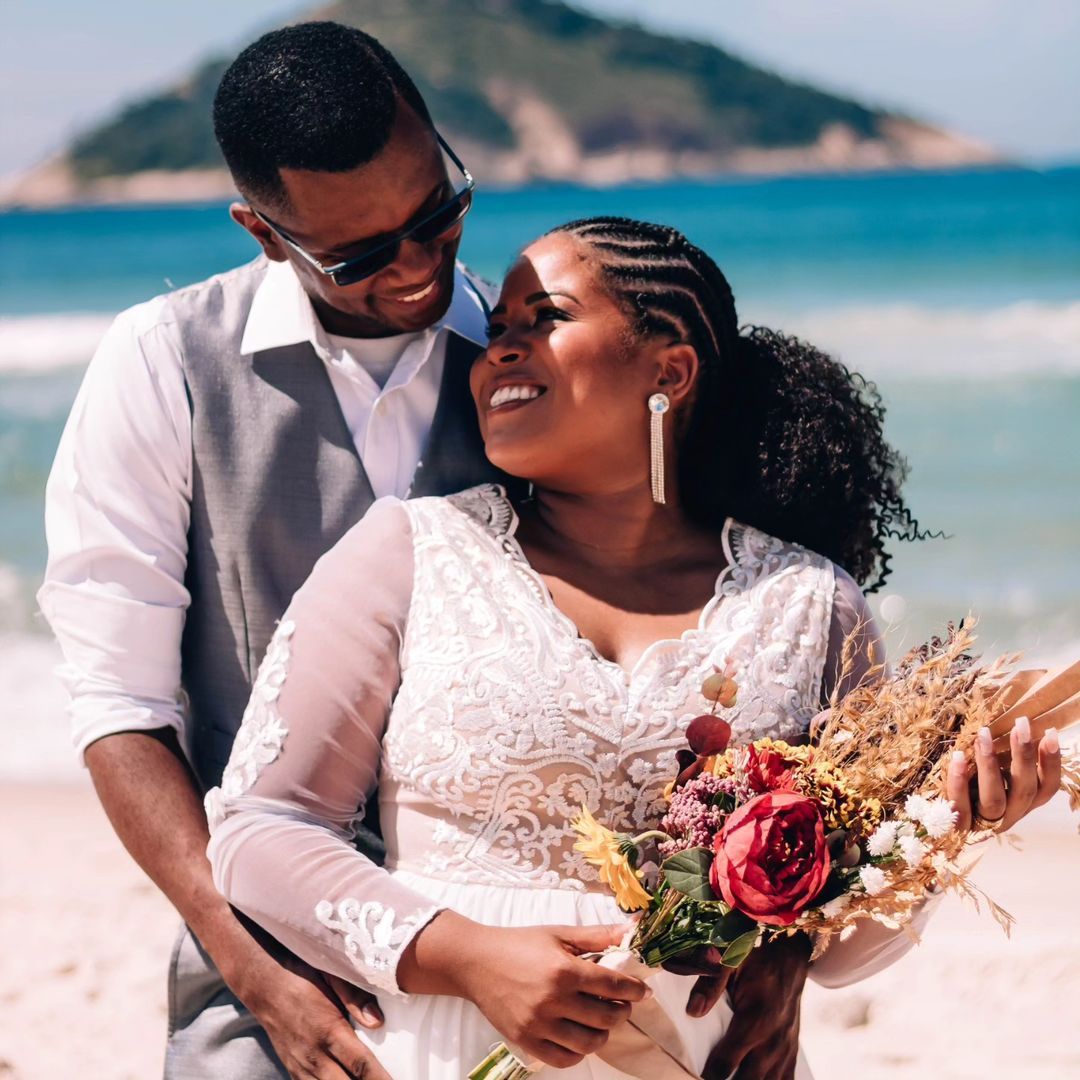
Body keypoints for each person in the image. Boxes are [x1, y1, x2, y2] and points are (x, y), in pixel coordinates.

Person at [39, 24, 808, 1080]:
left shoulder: (527, 362)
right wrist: (250, 969)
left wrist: (782, 945)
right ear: (262, 232)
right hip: (262, 930)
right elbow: (122, 707)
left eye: (438, 214)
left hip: (541, 966)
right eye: (358, 254)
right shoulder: (164, 365)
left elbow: (695, 628)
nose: (416, 267)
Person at [205, 217, 1062, 1079]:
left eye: (546, 318)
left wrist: (957, 825)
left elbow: (834, 952)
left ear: (670, 370)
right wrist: (466, 956)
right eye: (497, 330)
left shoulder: (808, 604)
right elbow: (259, 828)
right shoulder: (409, 552)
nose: (500, 350)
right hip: (445, 1042)